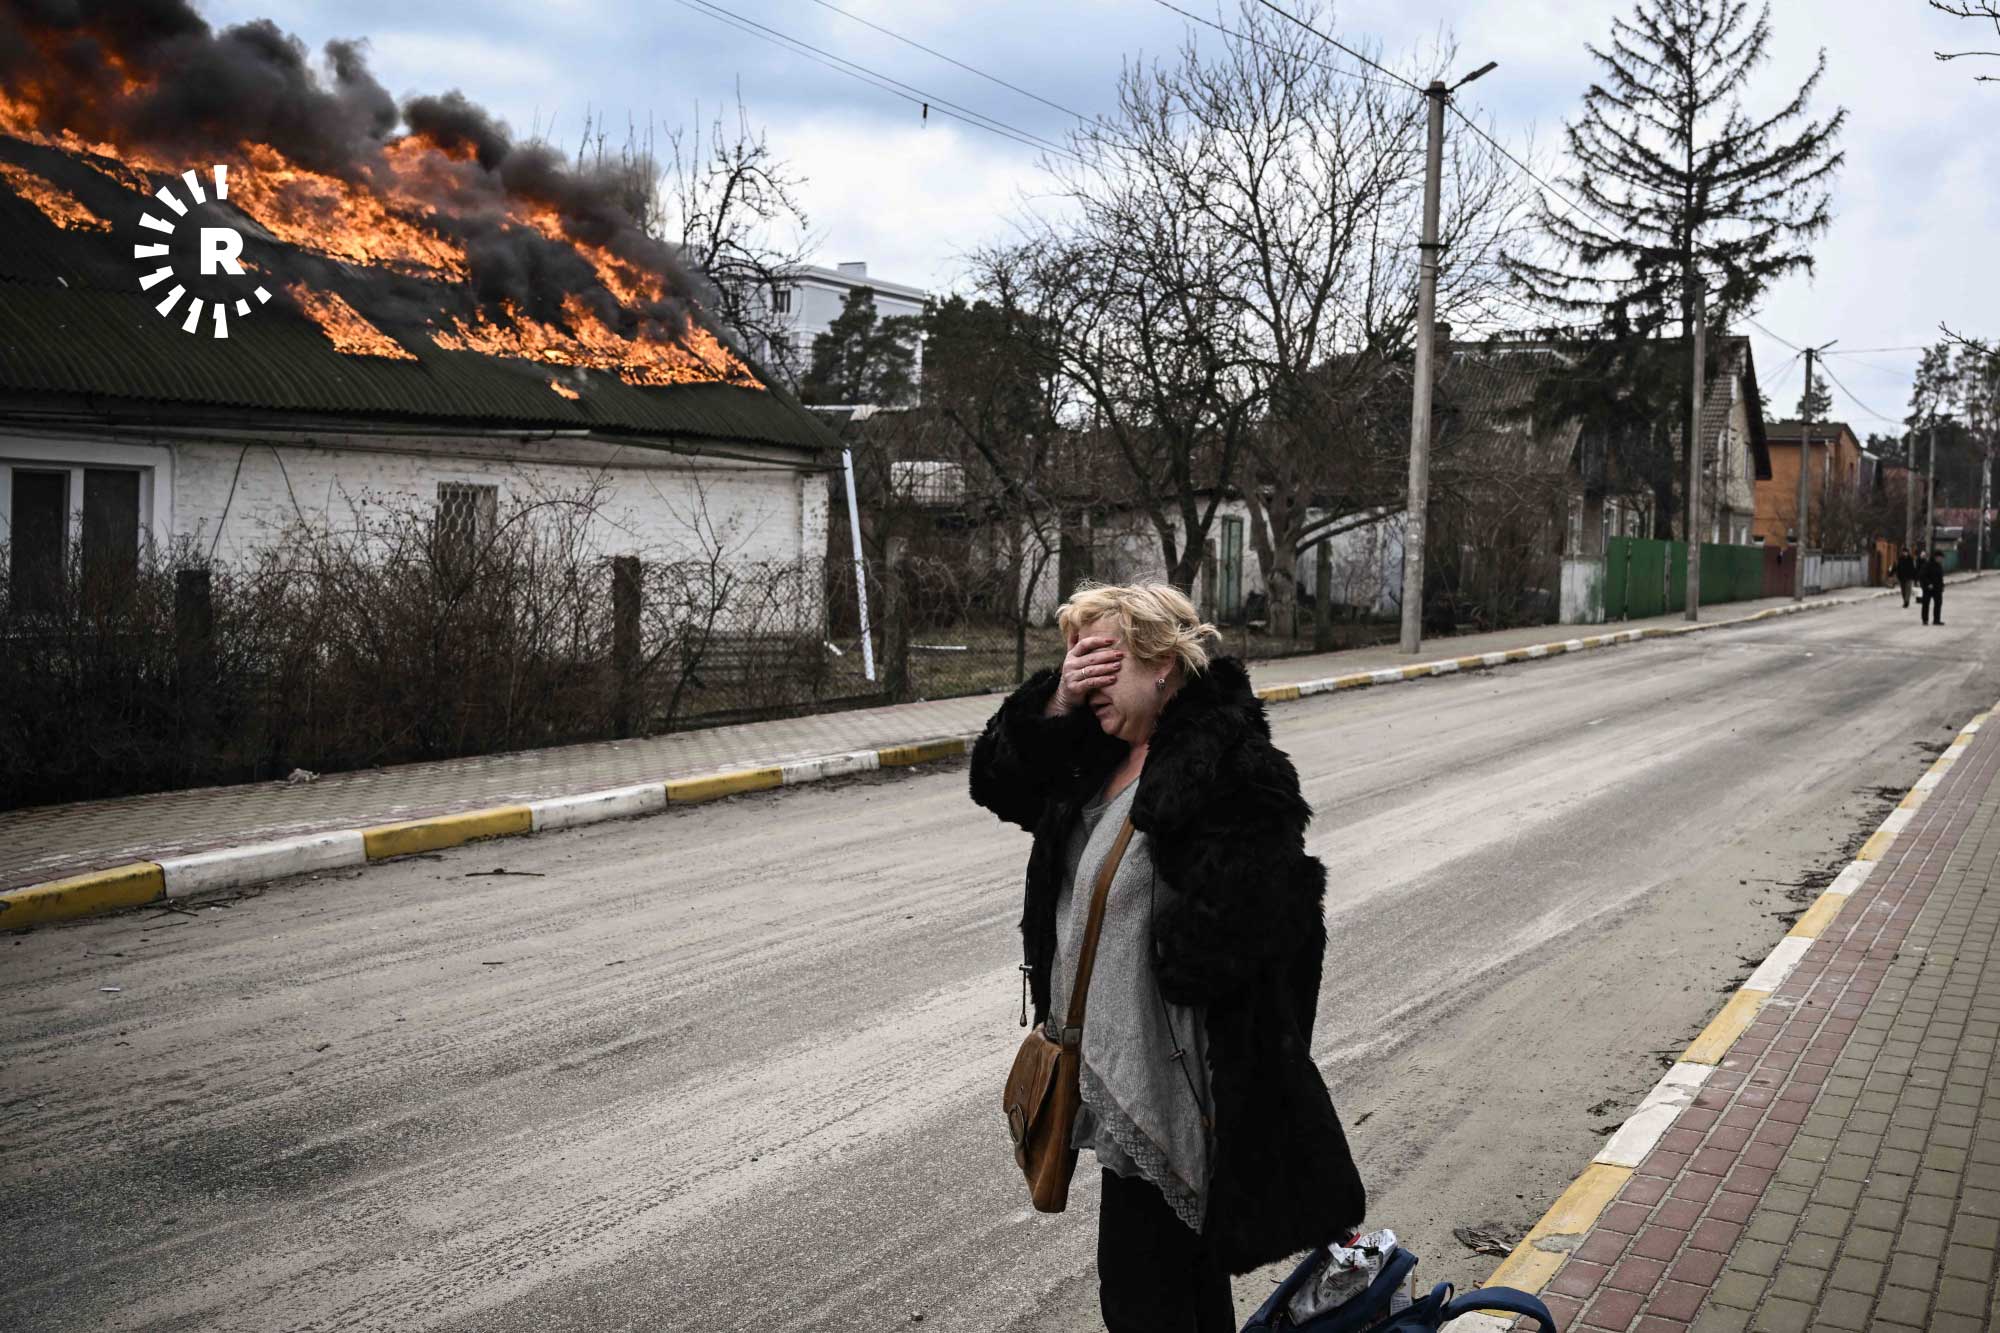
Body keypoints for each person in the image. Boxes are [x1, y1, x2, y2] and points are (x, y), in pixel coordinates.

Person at [970, 582, 1365, 1333]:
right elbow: (997, 782)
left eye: (1102, 661)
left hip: (1177, 1088)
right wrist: (1055, 700)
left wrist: (1186, 953)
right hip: (1118, 1076)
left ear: (1162, 664)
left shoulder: (1225, 764)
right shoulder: (1095, 752)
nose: (1086, 679)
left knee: (1143, 1300)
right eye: (1075, 660)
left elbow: (1279, 922)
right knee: (1177, 1299)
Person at [1922, 550, 1946, 625]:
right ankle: (1925, 620)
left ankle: (1936, 620)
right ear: (1936, 557)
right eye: (1941, 558)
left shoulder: (1939, 566)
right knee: (1926, 604)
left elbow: (1940, 577)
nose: (1941, 559)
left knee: (1938, 604)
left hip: (1937, 588)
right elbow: (1923, 575)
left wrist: (1942, 586)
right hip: (1928, 588)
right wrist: (1928, 584)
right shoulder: (1927, 565)